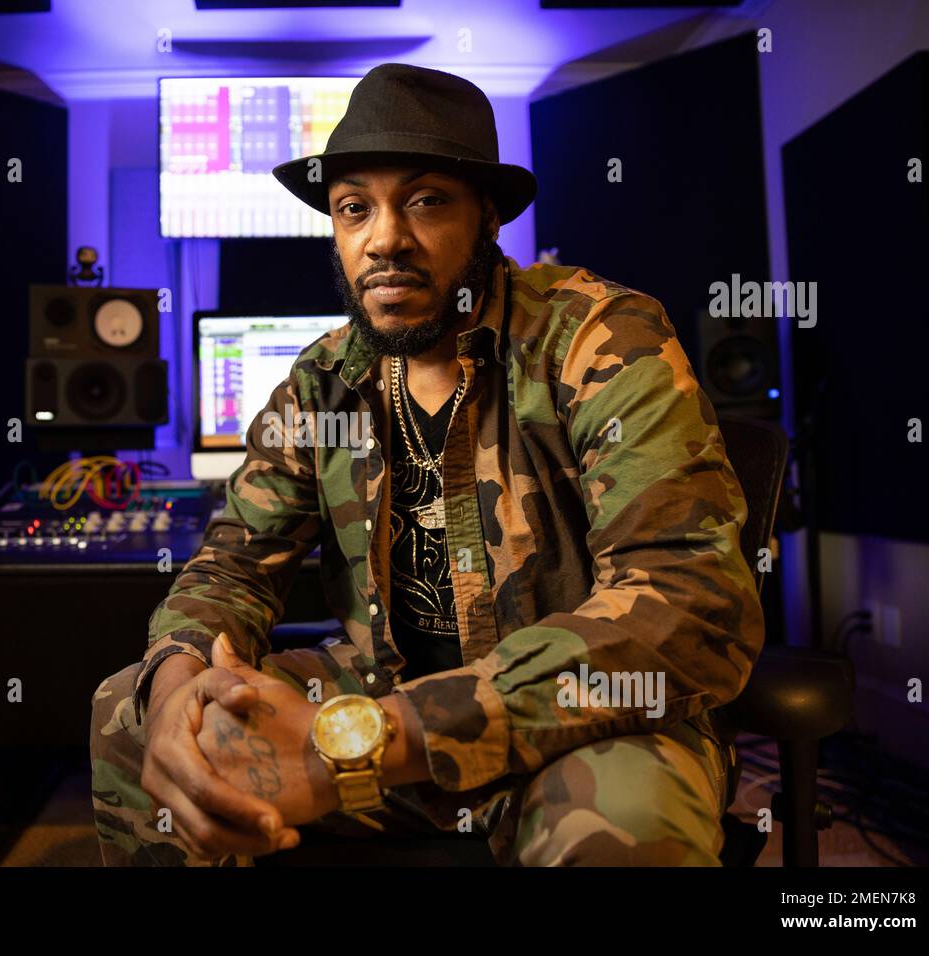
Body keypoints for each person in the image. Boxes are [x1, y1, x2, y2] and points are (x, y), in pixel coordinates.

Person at [90, 63, 765, 866]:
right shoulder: (323, 380)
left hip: (583, 717)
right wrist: (175, 683)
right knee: (135, 722)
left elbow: (690, 605)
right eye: (354, 209)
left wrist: (376, 737)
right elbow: (232, 565)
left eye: (425, 200)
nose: (384, 239)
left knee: (622, 824)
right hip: (383, 695)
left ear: (486, 218)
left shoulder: (598, 338)